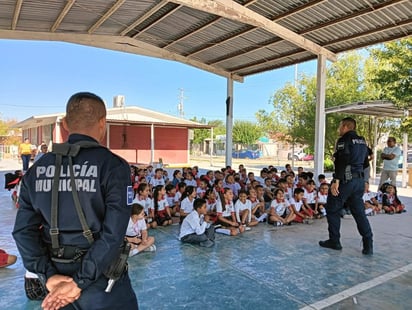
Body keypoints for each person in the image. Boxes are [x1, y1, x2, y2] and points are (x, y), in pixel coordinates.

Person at [12, 92, 138, 309]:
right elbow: (113, 234)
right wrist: (80, 281)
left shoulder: (37, 170)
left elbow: (23, 231)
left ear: (66, 124)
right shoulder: (114, 166)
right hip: (101, 284)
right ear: (102, 123)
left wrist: (48, 275)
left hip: (56, 284)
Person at [319, 117, 373, 255]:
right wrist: (366, 181)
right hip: (359, 182)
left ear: (345, 126)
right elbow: (366, 163)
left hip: (346, 180)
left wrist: (336, 180)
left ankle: (334, 241)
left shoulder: (344, 140)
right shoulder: (362, 141)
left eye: (340, 126)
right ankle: (368, 243)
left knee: (332, 208)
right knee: (359, 212)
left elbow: (342, 160)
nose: (338, 129)